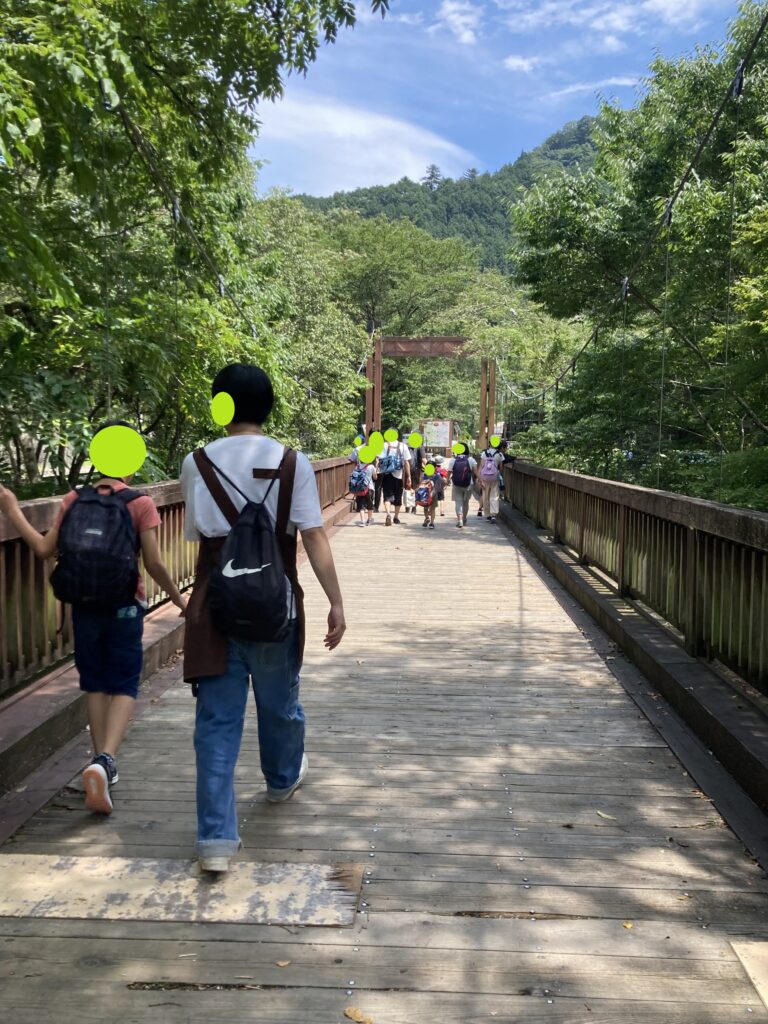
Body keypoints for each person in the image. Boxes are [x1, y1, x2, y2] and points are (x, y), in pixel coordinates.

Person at [181, 363, 346, 873]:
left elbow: (199, 542)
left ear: (221, 406)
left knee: (216, 721)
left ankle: (215, 841)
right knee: (281, 703)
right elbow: (314, 536)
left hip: (217, 606)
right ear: (268, 406)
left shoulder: (196, 462)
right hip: (277, 605)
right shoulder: (293, 463)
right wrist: (336, 601)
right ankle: (280, 781)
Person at [0, 425, 187, 816]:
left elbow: (42, 549)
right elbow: (152, 562)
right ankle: (105, 760)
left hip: (83, 605)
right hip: (124, 605)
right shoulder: (140, 503)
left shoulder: (73, 498)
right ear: (131, 463)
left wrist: (13, 509)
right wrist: (178, 599)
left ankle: (101, 764)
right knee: (123, 683)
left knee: (95, 683)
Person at [378, 430, 412, 526]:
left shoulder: (384, 445)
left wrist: (377, 471)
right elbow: (406, 462)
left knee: (387, 496)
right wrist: (408, 476)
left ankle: (388, 514)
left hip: (387, 474)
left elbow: (379, 459)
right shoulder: (402, 446)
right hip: (399, 475)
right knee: (398, 496)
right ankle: (396, 517)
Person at [446, 445, 478, 528]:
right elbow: (475, 471)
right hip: (468, 484)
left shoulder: (453, 460)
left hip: (457, 484)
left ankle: (459, 520)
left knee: (458, 502)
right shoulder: (471, 459)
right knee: (465, 502)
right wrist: (479, 480)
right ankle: (464, 519)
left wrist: (447, 480)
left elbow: (449, 472)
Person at [479, 442, 504, 524]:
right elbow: (500, 467)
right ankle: (493, 515)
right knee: (494, 496)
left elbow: (481, 466)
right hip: (494, 478)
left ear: (489, 444)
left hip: (485, 477)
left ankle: (487, 515)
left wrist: (480, 479)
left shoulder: (484, 453)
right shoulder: (499, 454)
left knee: (486, 495)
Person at [352, 458, 377, 526]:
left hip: (360, 489)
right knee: (370, 504)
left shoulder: (357, 467)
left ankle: (362, 521)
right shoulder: (371, 466)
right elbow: (375, 477)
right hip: (369, 488)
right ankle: (369, 519)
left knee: (361, 505)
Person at [416, 459, 438, 529]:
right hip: (434, 494)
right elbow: (440, 485)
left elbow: (420, 483)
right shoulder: (436, 475)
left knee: (426, 508)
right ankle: (432, 523)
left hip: (425, 494)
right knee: (433, 509)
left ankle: (427, 518)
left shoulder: (424, 474)